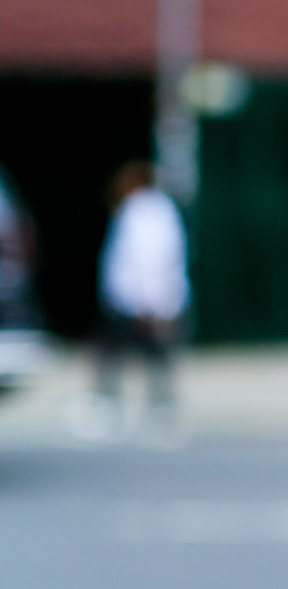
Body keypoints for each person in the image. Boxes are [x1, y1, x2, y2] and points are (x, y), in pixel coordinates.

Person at [84, 160, 189, 440]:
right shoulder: (154, 209)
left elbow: (151, 256)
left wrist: (149, 302)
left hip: (138, 303)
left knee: (137, 356)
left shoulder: (142, 210)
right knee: (144, 356)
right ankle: (154, 410)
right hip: (137, 301)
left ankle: (147, 409)